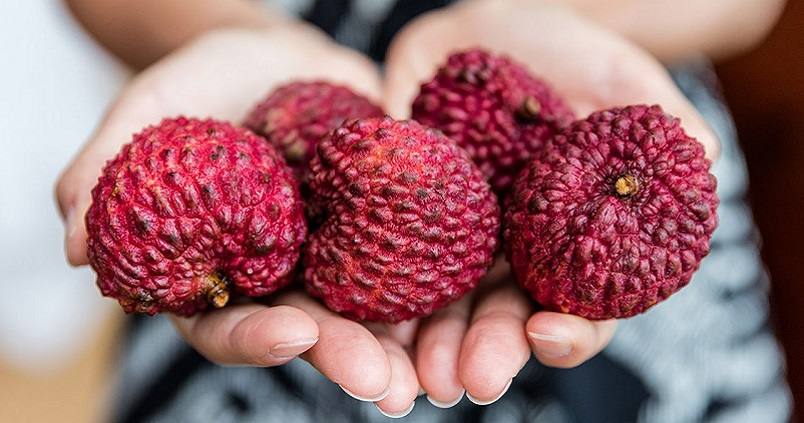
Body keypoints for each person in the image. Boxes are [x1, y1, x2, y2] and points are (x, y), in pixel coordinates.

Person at [57, 0, 791, 421]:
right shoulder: (280, 184)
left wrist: (552, 12)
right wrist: (233, 35)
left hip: (591, 120)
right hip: (258, 130)